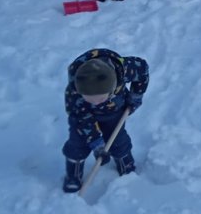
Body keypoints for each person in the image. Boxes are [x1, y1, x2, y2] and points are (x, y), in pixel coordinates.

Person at [61, 47, 149, 193]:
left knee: (118, 140)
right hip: (83, 115)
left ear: (112, 88)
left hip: (113, 111)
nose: (96, 103)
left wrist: (136, 96)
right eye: (90, 99)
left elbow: (142, 69)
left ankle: (125, 164)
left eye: (101, 99)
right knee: (77, 144)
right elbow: (80, 118)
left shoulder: (125, 69)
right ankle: (73, 174)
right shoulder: (75, 91)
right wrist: (96, 143)